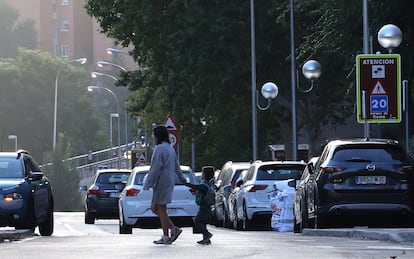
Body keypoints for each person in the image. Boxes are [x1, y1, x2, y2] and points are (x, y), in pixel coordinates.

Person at [143, 125, 185, 245]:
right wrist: (182, 178)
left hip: (161, 181)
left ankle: (168, 234)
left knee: (159, 208)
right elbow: (177, 165)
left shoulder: (159, 149)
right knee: (158, 208)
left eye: (153, 134)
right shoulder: (170, 148)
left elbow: (155, 168)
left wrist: (148, 183)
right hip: (169, 181)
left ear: (157, 135)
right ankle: (171, 230)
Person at [184, 166, 215, 245]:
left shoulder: (204, 185)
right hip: (206, 206)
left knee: (198, 221)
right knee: (203, 222)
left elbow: (196, 187)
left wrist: (185, 183)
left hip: (204, 207)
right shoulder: (209, 184)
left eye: (203, 173)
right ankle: (206, 239)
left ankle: (207, 234)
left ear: (204, 175)